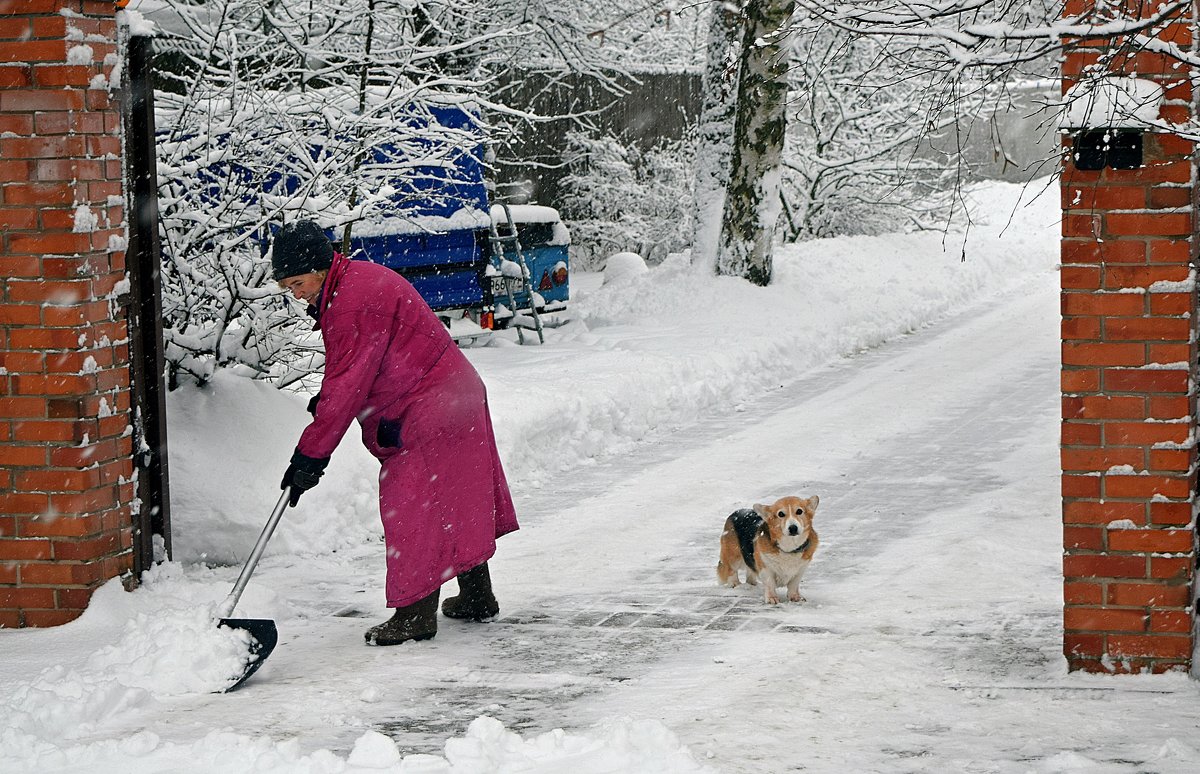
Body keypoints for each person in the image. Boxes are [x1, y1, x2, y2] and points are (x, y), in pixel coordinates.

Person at [271, 219, 519, 645]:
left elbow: (347, 384)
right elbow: (360, 369)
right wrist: (330, 402)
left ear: (317, 267)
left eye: (296, 282)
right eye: (287, 288)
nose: (295, 294)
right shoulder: (355, 281)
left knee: (414, 507)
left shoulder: (350, 302)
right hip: (455, 396)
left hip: (430, 408)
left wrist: (309, 457)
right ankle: (477, 596)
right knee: (454, 497)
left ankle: (414, 615)